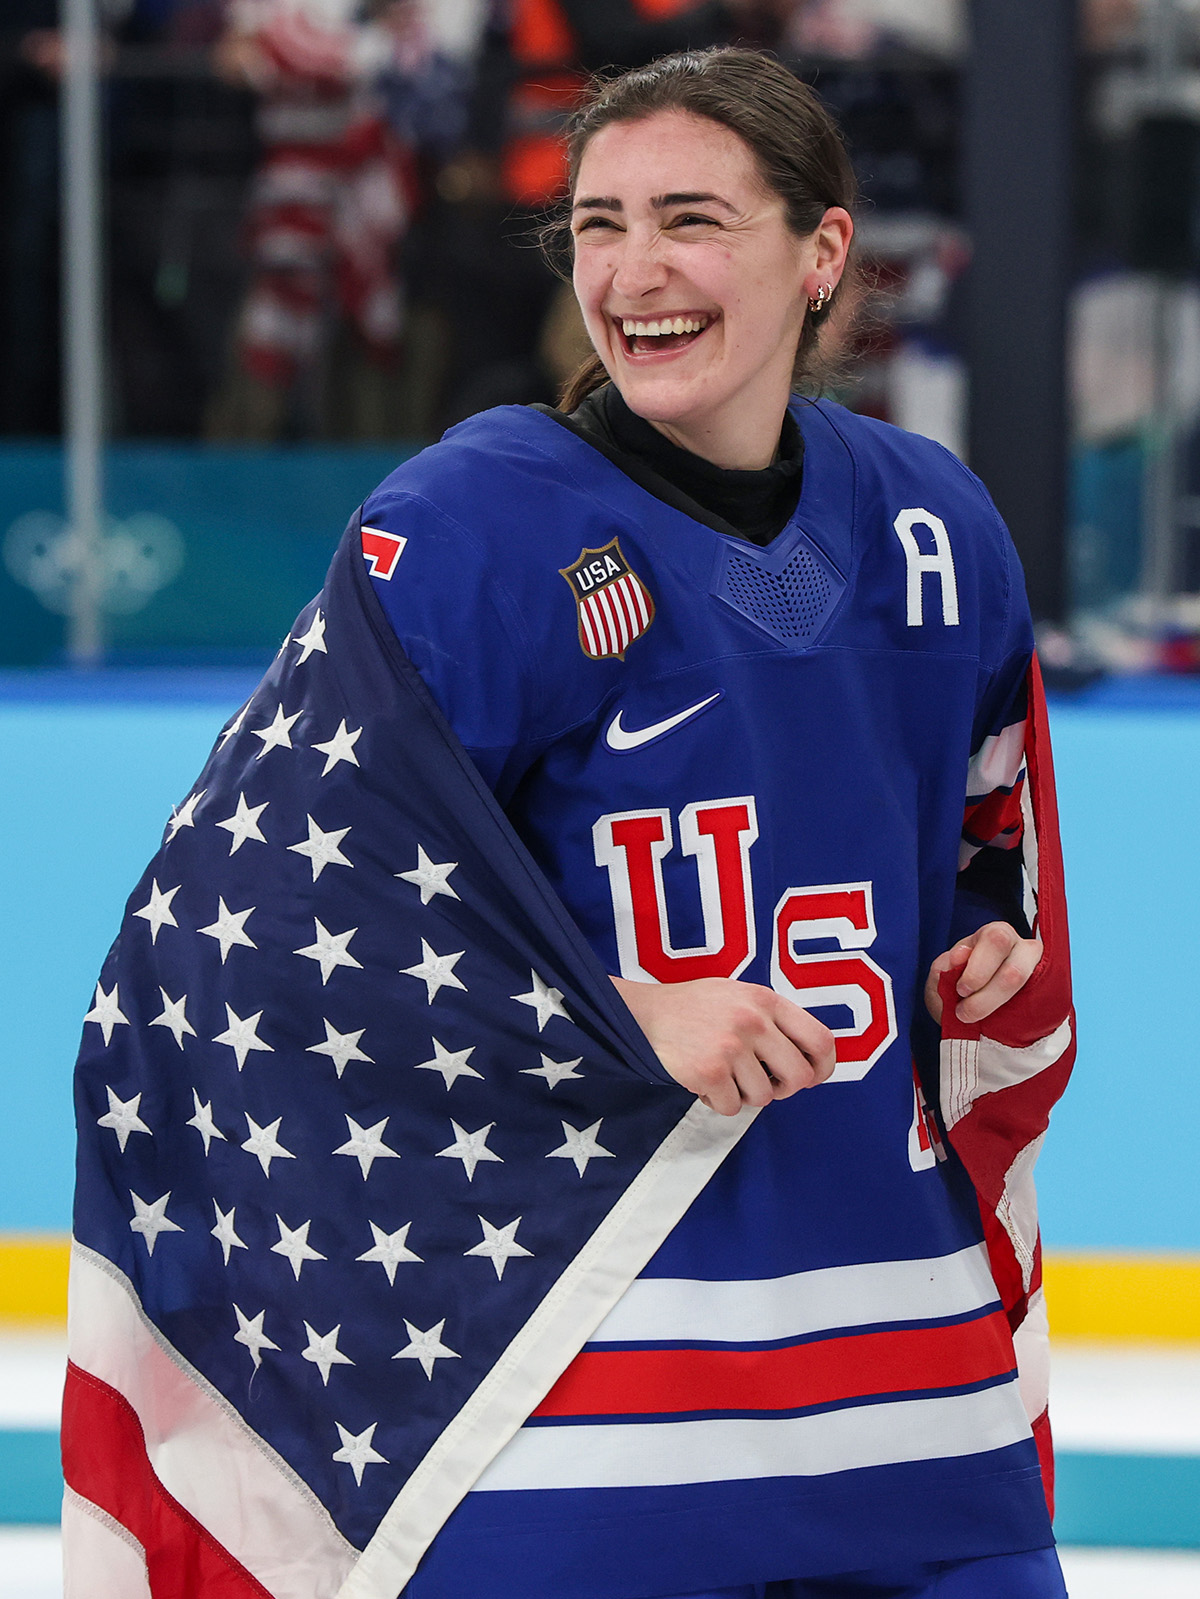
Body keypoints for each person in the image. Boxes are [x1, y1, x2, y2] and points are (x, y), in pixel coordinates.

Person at [64, 46, 1074, 1599]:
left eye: (690, 218)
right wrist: (610, 1014)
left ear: (822, 256)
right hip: (587, 1372)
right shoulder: (475, 525)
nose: (635, 270)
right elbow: (230, 931)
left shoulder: (936, 527)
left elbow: (984, 849)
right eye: (599, 224)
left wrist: (985, 951)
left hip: (911, 1372)